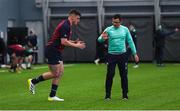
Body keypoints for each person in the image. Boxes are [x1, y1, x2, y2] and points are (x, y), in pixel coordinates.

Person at [28, 9, 86, 101]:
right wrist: (77, 45)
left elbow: (62, 40)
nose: (78, 21)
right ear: (72, 16)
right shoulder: (65, 25)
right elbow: (64, 42)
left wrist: (74, 42)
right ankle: (33, 81)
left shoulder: (68, 25)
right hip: (52, 50)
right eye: (78, 18)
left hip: (56, 51)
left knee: (60, 73)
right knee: (55, 73)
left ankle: (52, 96)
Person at [98, 14, 139, 100]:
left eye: (116, 22)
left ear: (121, 22)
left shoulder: (125, 29)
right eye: (113, 22)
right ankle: (107, 95)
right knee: (110, 74)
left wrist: (135, 54)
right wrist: (103, 38)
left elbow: (130, 41)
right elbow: (99, 39)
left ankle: (125, 95)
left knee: (123, 75)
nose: (114, 24)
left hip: (122, 55)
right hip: (111, 55)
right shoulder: (108, 29)